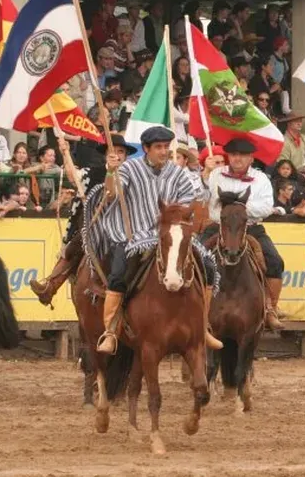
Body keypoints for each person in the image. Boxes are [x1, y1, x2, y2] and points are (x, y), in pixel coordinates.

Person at [88, 126, 220, 355]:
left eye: (166, 147)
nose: (163, 152)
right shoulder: (128, 168)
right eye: (158, 147)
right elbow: (111, 195)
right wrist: (111, 172)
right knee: (118, 273)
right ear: (146, 149)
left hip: (171, 233)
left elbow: (189, 204)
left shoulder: (178, 173)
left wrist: (175, 223)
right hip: (134, 234)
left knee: (208, 266)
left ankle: (203, 325)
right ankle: (110, 331)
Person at [30, 135, 136, 304]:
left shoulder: (135, 175)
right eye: (112, 151)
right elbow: (73, 176)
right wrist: (65, 152)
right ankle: (50, 286)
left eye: (121, 151)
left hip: (130, 228)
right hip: (97, 225)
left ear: (126, 156)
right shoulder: (93, 173)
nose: (117, 155)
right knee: (76, 244)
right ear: (105, 155)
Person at [201, 138, 284, 331]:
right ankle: (193, 308)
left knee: (275, 261)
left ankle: (270, 308)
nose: (237, 159)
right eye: (233, 155)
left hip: (250, 227)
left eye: (243, 155)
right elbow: (202, 197)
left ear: (251, 159)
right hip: (218, 226)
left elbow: (265, 208)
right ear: (228, 156)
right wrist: (205, 174)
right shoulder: (215, 174)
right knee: (195, 258)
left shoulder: (261, 179)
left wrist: (239, 206)